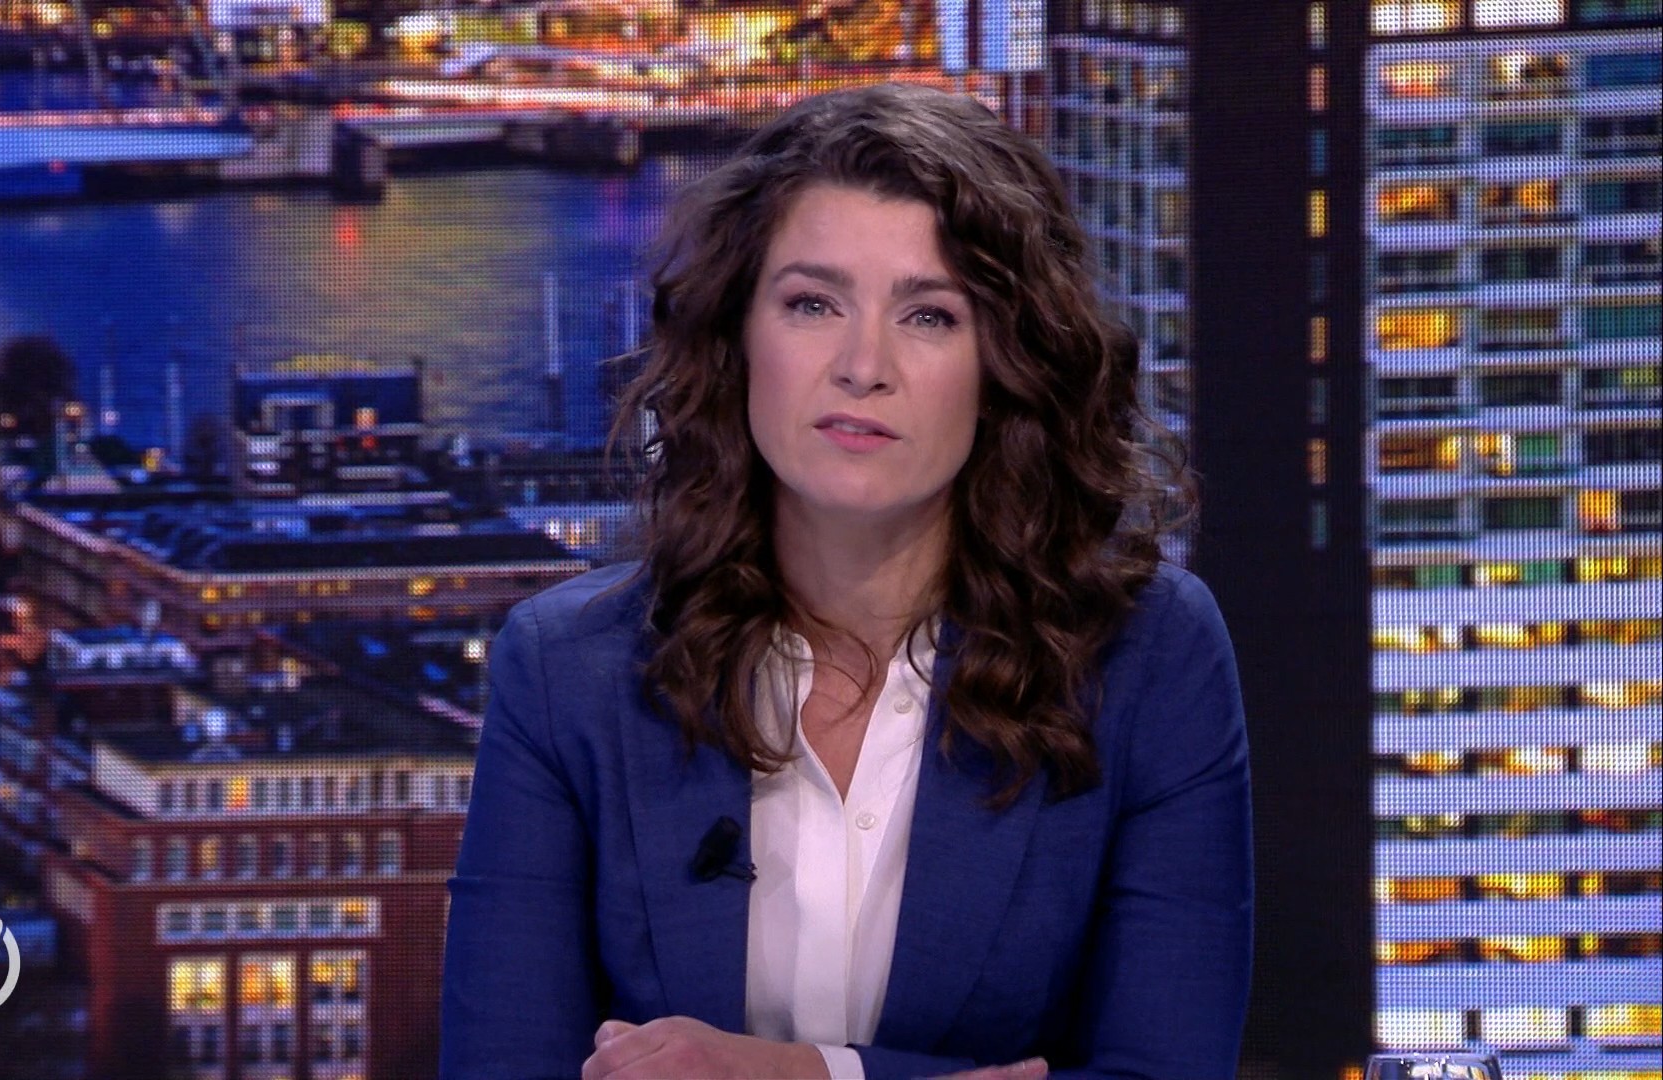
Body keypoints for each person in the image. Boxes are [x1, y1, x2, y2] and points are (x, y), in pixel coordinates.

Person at [440, 82, 1252, 1079]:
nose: (863, 365)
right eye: (812, 304)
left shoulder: (1146, 654)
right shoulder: (567, 670)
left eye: (930, 315)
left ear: (1006, 364)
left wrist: (800, 1073)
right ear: (739, 337)